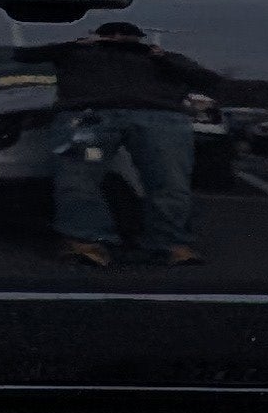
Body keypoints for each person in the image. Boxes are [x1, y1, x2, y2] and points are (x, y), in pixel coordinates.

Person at [44, 20, 217, 267]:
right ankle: (86, 241)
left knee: (169, 180)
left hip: (158, 118)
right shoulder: (76, 53)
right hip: (90, 117)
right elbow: (26, 55)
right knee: (78, 178)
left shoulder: (162, 58)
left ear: (140, 39)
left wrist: (163, 58)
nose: (118, 38)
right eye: (109, 34)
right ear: (96, 36)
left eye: (126, 35)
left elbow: (207, 79)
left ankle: (169, 243)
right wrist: (76, 45)